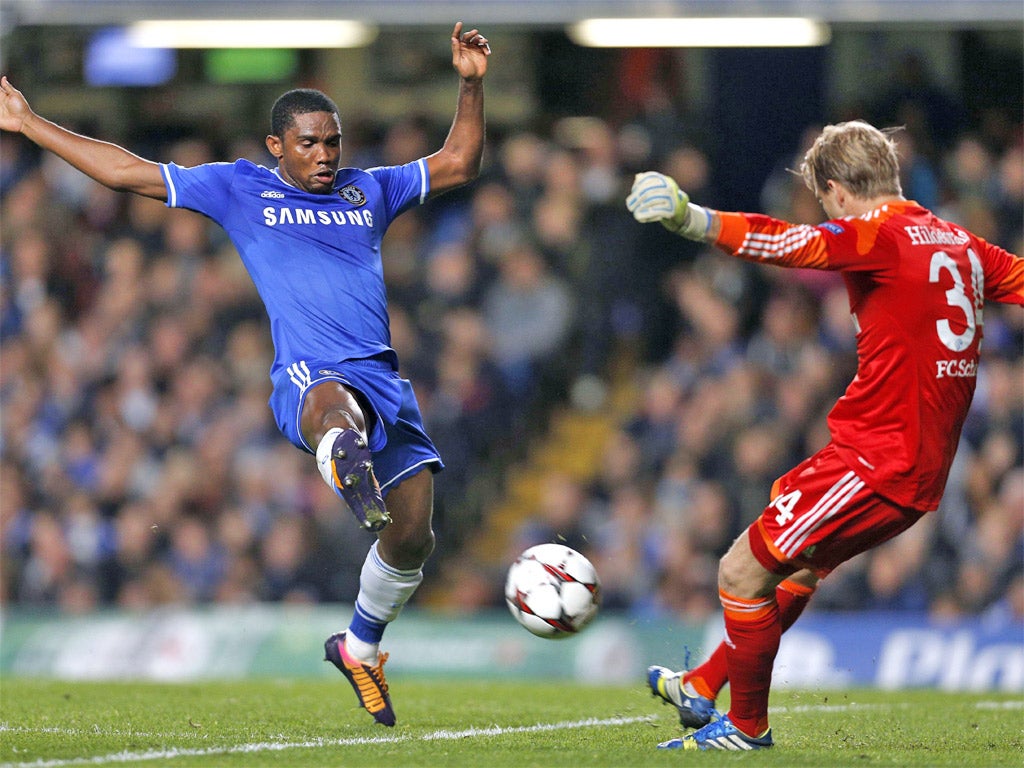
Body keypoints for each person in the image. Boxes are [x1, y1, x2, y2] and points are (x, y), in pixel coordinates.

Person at [0, 22, 491, 727]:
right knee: (334, 409)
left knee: (413, 539)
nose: (324, 156)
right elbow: (125, 169)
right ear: (275, 147)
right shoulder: (238, 188)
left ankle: (358, 648)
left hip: (385, 381)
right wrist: (28, 123)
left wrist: (471, 84)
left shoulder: (368, 191)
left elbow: (460, 162)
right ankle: (343, 459)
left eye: (332, 142)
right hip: (309, 374)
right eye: (308, 143)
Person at [626, 120, 1023, 750]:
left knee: (740, 572)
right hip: (897, 460)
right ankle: (704, 684)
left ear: (836, 192)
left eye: (823, 202)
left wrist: (691, 218)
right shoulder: (962, 243)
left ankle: (748, 728)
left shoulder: (876, 233)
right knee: (797, 574)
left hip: (878, 462)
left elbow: (790, 244)